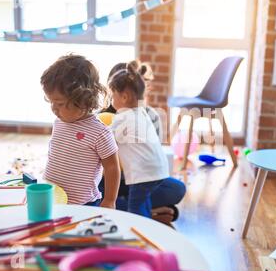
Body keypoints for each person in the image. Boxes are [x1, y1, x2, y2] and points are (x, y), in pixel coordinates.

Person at [106, 61, 186, 220]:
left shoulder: (122, 117)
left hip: (140, 175)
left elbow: (105, 138)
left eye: (112, 94)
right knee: (141, 200)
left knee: (137, 205)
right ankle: (151, 215)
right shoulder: (141, 113)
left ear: (124, 96)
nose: (110, 97)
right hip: (151, 172)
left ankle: (140, 225)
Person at [40, 54, 120, 208]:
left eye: (59, 103)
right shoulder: (59, 121)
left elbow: (112, 167)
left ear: (84, 99)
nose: (54, 109)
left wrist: (110, 200)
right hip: (54, 196)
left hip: (83, 203)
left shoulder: (99, 132)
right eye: (51, 102)